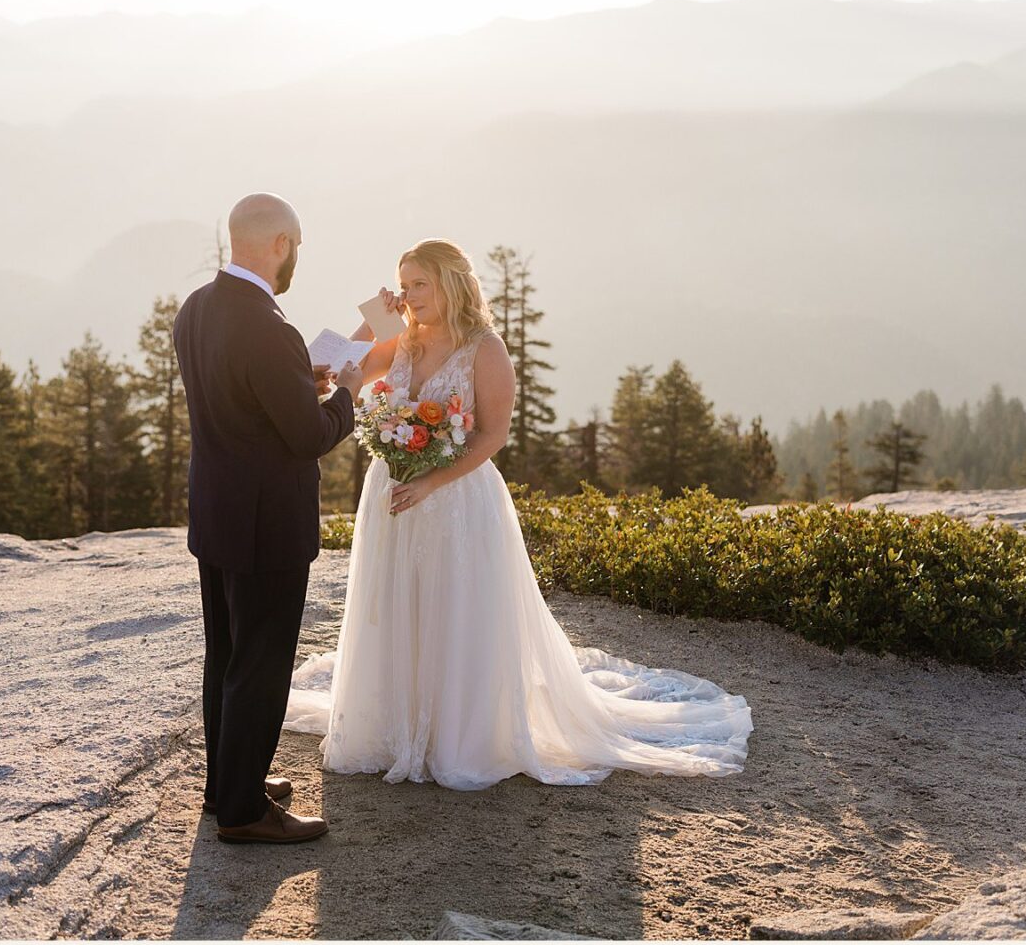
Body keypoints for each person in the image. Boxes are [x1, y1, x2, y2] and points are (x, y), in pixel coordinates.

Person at [284, 238, 753, 789]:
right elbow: (337, 366)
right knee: (397, 601)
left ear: (451, 285)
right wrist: (373, 318)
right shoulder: (403, 339)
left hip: (455, 498)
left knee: (454, 607)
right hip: (393, 493)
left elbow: (492, 435)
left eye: (419, 285)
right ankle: (394, 726)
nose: (409, 296)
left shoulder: (486, 348)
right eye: (403, 284)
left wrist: (432, 480)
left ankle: (458, 735)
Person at [172, 193, 362, 843]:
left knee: (225, 653)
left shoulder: (197, 308)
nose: (296, 259)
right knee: (260, 661)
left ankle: (227, 787)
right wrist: (347, 394)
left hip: (218, 514)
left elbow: (237, 395)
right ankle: (246, 814)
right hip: (266, 524)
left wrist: (292, 379)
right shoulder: (269, 326)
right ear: (279, 244)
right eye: (297, 246)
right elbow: (309, 436)